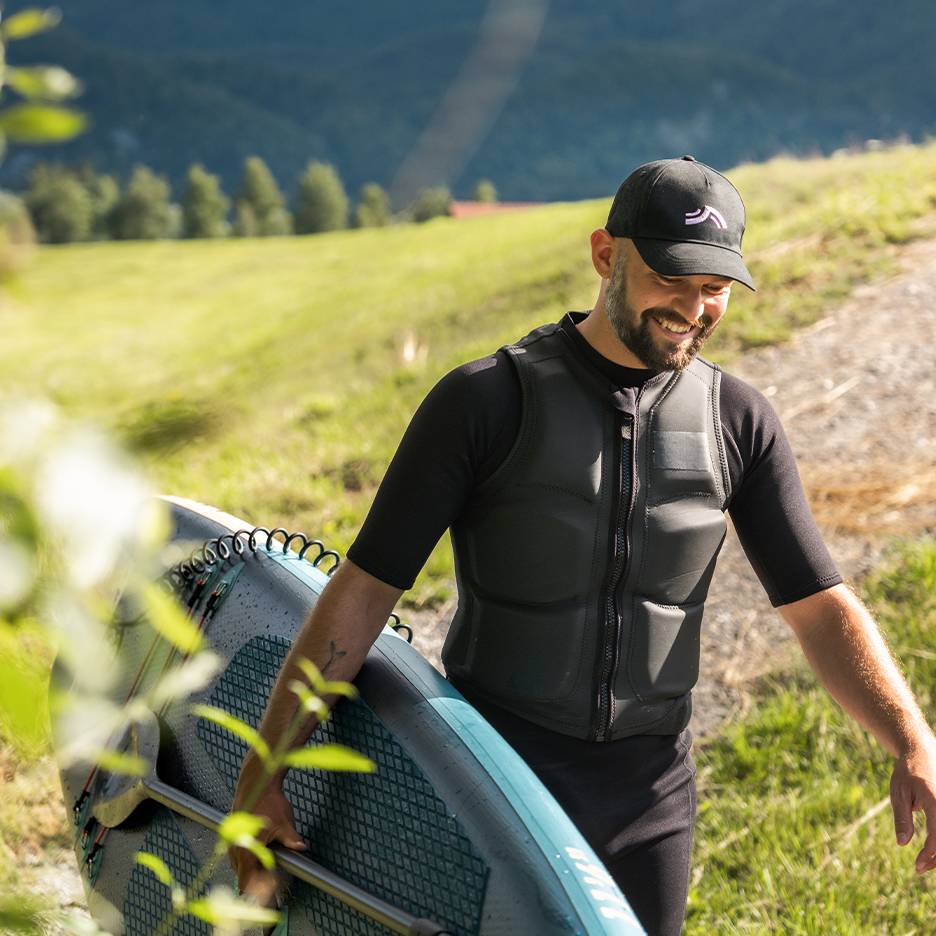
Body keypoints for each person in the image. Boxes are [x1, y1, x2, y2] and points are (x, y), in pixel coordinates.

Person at [231, 156, 936, 935]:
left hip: (648, 797)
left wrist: (911, 740)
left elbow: (819, 605)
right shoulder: (485, 401)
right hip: (495, 777)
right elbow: (364, 592)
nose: (694, 307)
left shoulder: (738, 420)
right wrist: (265, 770)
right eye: (672, 277)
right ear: (607, 255)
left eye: (715, 288)